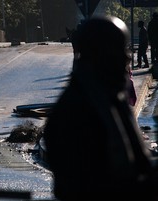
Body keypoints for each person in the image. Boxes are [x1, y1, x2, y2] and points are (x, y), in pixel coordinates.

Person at [44, 16, 158, 201]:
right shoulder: (75, 111)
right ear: (100, 54)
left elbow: (139, 163)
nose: (127, 56)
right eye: (120, 49)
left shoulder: (111, 99)